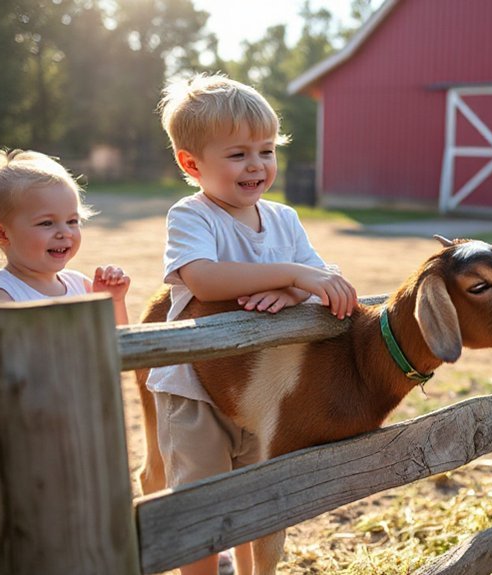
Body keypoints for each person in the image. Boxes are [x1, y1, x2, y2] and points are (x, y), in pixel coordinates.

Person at [150, 73, 357, 575]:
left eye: (266, 150)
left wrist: (292, 289)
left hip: (265, 390)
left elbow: (326, 279)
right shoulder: (193, 216)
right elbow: (202, 279)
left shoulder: (284, 218)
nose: (257, 165)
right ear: (191, 163)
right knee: (201, 501)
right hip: (196, 386)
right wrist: (290, 274)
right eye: (238, 153)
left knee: (259, 496)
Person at [0, 149, 130, 324]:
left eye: (72, 221)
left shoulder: (81, 285)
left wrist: (113, 300)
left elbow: (116, 342)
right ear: (1, 234)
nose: (65, 232)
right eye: (46, 223)